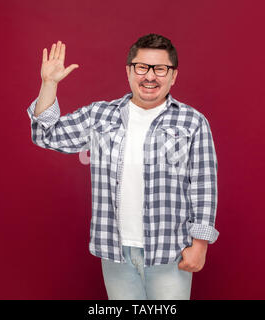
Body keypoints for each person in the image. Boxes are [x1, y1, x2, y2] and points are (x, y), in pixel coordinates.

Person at [26, 34, 219, 300]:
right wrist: (48, 84)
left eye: (160, 69)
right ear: (129, 71)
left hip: (169, 251)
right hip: (115, 252)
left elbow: (204, 184)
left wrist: (200, 245)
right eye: (142, 67)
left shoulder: (193, 122)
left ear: (173, 76)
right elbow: (46, 135)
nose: (150, 76)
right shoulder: (100, 115)